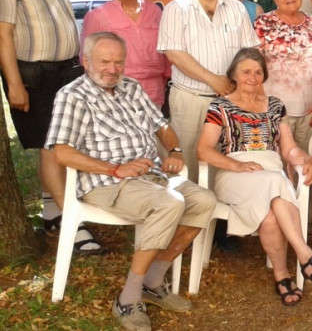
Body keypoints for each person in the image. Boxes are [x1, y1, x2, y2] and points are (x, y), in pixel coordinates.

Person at [45, 31, 217, 330]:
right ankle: (128, 297)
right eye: (104, 62)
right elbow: (61, 152)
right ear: (86, 61)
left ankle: (153, 281)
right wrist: (115, 169)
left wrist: (175, 150)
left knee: (204, 200)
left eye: (118, 62)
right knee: (169, 204)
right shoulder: (73, 96)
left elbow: (161, 125)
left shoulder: (131, 87)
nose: (112, 69)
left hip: (151, 176)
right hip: (106, 182)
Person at [197, 48, 312, 307]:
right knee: (277, 180)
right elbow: (203, 150)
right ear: (234, 75)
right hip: (235, 173)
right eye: (246, 71)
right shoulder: (220, 105)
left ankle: (281, 275)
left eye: (258, 72)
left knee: (272, 209)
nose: (253, 77)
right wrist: (237, 166)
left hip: (270, 172)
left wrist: (306, 159)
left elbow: (289, 149)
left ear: (264, 76)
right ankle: (305, 255)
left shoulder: (275, 105)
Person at [0, 0, 101, 253]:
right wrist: (14, 83)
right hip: (34, 74)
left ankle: (52, 212)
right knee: (52, 145)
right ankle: (73, 222)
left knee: (64, 142)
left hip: (65, 71)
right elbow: (4, 33)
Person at [157, 0, 260, 182]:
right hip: (190, 100)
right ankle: (191, 205)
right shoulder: (176, 9)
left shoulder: (237, 9)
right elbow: (175, 54)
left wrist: (243, 87)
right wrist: (214, 80)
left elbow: (250, 52)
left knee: (227, 162)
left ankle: (221, 206)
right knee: (188, 163)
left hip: (230, 100)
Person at [255, 0, 312, 152]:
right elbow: (254, 65)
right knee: (277, 160)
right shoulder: (264, 23)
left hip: (310, 109)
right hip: (274, 109)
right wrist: (260, 103)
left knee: (306, 159)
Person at [81, 0, 170, 108]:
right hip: (114, 93)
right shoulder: (97, 16)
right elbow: (85, 60)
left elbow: (167, 55)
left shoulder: (155, 12)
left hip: (153, 93)